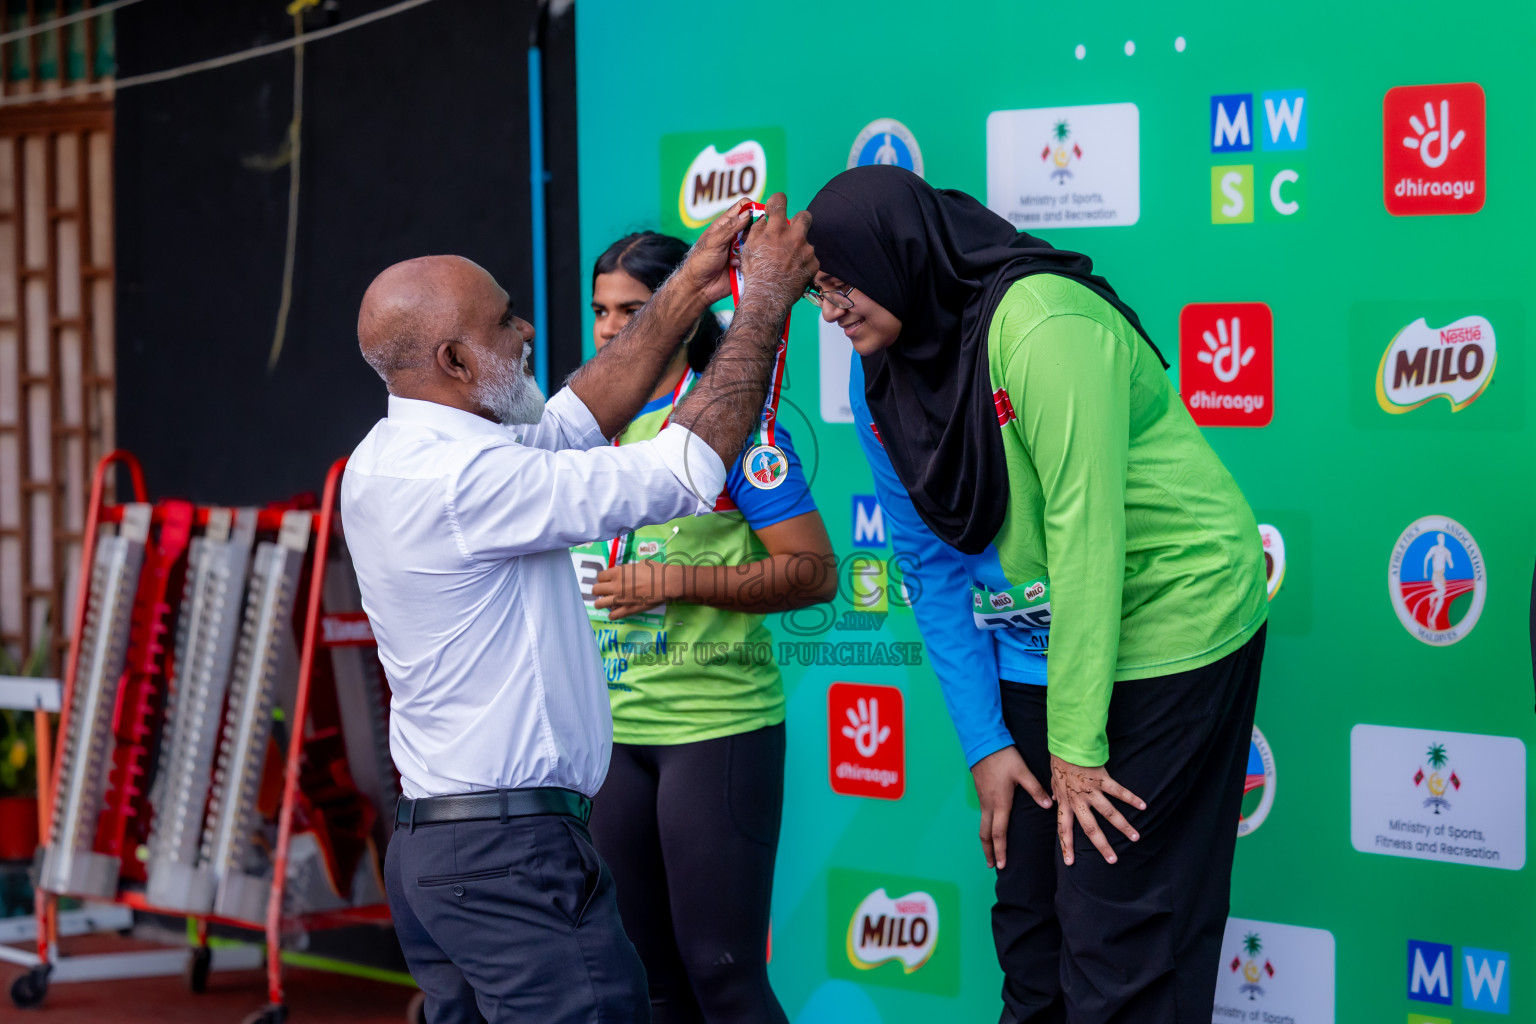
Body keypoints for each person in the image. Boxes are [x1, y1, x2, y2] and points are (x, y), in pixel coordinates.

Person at [806, 165, 1268, 1024]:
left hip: (1171, 612)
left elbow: (1086, 535)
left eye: (843, 285)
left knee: (1119, 924)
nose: (830, 311)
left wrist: (1078, 751)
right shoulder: (882, 386)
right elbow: (929, 564)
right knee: (1029, 919)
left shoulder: (1042, 323)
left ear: (896, 254)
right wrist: (985, 741)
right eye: (818, 291)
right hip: (1037, 635)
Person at [341, 194, 818, 1024]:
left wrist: (687, 289)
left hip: (444, 848)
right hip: (506, 859)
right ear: (455, 360)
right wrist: (765, 301)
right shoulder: (464, 479)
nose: (527, 329)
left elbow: (572, 421)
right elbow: (680, 472)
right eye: (503, 321)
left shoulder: (397, 451)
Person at [575, 232, 835, 1024]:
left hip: (715, 731)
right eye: (600, 311)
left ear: (686, 311)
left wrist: (675, 581)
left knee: (723, 978)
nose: (611, 328)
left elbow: (812, 572)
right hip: (611, 740)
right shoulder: (583, 426)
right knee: (647, 984)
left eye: (633, 309)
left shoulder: (734, 427)